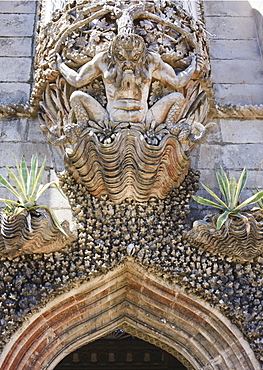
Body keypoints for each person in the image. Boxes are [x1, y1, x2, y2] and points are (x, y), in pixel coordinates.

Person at [52, 33, 200, 128]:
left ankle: (171, 127)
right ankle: (82, 127)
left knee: (178, 97)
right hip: (108, 119)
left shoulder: (150, 61)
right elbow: (77, 80)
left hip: (146, 119)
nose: (128, 63)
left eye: (134, 57)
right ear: (115, 55)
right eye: (122, 57)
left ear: (141, 55)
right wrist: (60, 65)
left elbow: (177, 81)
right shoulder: (104, 60)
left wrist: (193, 65)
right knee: (76, 96)